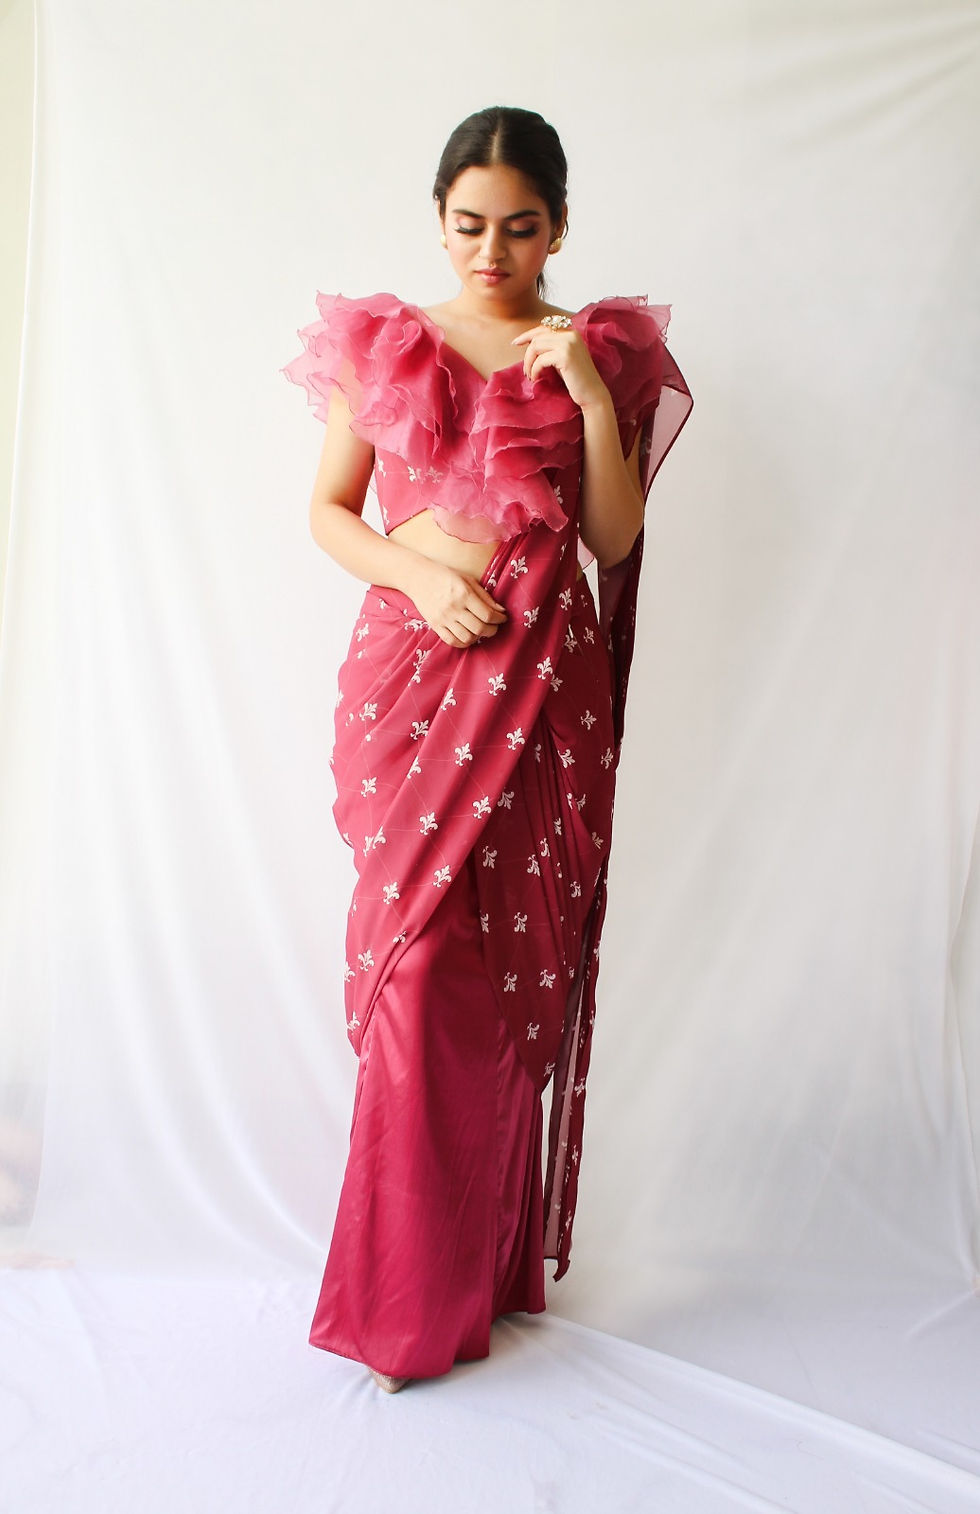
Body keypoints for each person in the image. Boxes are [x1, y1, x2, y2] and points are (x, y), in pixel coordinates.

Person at [281, 105, 693, 1393]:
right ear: (440, 220)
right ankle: (399, 1306)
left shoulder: (599, 353)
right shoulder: (387, 342)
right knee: (415, 976)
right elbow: (331, 513)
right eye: (469, 225)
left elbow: (613, 540)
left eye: (520, 227)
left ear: (558, 228)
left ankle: (472, 1284)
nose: (491, 252)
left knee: (507, 979)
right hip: (413, 684)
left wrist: (586, 395)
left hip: (541, 695)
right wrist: (418, 578)